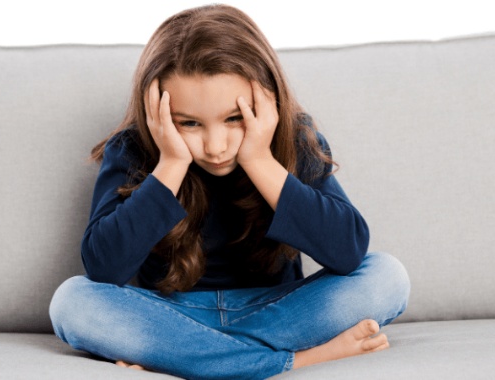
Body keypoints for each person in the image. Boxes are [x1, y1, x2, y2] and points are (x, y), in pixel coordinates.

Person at [49, 4, 410, 379]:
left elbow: (348, 252)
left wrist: (259, 160)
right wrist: (171, 163)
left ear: (268, 102)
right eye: (189, 123)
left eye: (234, 119)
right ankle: (290, 361)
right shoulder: (133, 150)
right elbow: (104, 269)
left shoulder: (293, 142)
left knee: (388, 275)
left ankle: (187, 357)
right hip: (171, 315)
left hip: (277, 310)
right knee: (72, 301)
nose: (216, 146)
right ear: (156, 114)